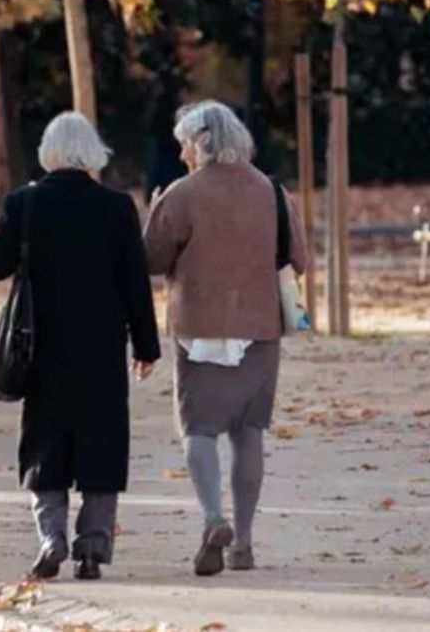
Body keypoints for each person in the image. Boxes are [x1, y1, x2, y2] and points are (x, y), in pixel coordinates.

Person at [0, 112, 161, 581]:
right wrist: (147, 345)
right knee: (102, 444)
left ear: (48, 152)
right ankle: (93, 549)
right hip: (101, 347)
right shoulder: (116, 207)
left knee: (45, 443)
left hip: (39, 346)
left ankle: (51, 537)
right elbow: (134, 284)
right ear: (92, 153)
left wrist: (12, 229)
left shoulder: (25, 204)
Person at [143, 100, 307, 576]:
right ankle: (246, 544)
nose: (181, 156)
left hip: (198, 328)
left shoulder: (181, 193)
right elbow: (298, 259)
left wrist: (156, 210)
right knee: (248, 433)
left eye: (184, 146)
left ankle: (214, 518)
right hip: (260, 330)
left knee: (198, 430)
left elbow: (151, 259)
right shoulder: (272, 192)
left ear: (200, 143)